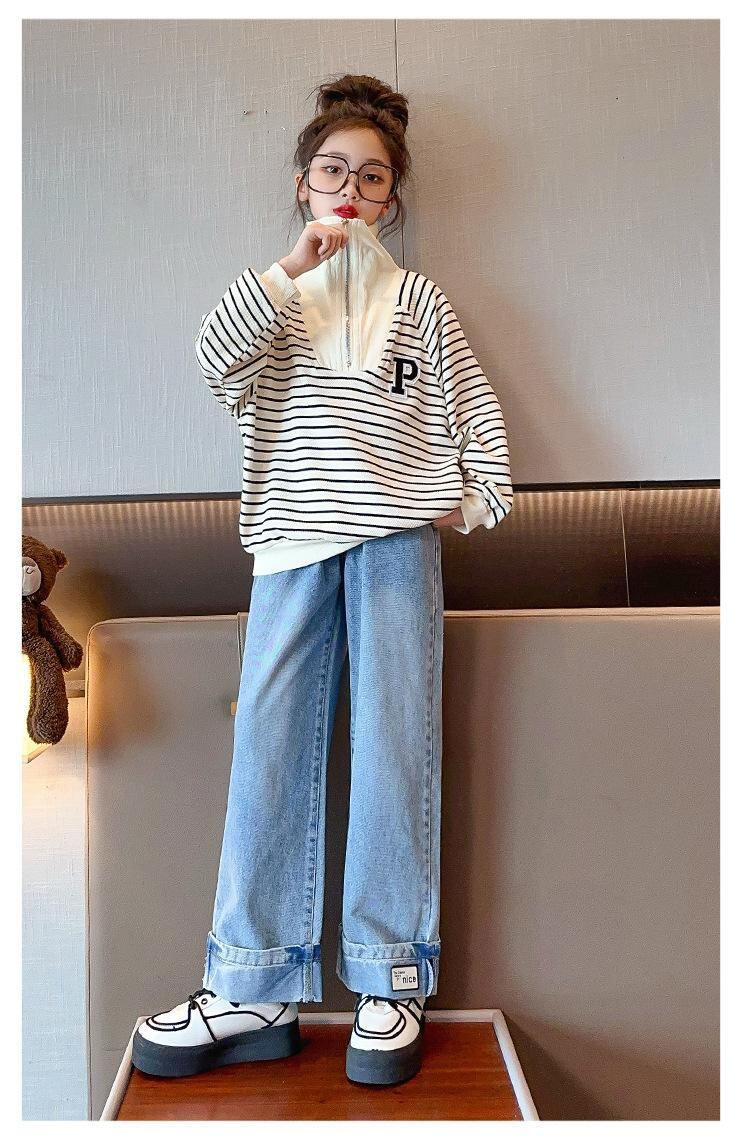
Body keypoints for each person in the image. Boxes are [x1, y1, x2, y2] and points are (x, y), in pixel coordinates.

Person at [132, 73, 513, 1088]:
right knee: (267, 749)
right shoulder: (275, 300)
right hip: (289, 543)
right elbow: (212, 363)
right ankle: (251, 984)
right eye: (334, 171)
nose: (351, 189)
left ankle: (391, 975)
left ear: (392, 198)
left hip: (395, 546)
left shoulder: (421, 304)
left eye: (372, 177)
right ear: (303, 183)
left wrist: (470, 498)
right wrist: (292, 267)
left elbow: (479, 419)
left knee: (395, 747)